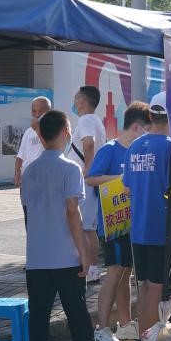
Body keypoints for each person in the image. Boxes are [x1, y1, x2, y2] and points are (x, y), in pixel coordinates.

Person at [21, 109, 102, 341]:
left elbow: (29, 213)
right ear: (67, 133)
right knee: (75, 308)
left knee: (39, 312)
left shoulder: (29, 170)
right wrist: (83, 253)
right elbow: (72, 213)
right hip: (65, 253)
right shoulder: (71, 168)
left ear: (40, 135)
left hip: (37, 255)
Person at [85, 100, 150, 341]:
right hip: (114, 226)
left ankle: (125, 324)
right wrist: (122, 178)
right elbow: (90, 178)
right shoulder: (110, 150)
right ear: (135, 127)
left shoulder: (138, 151)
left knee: (126, 274)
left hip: (133, 224)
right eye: (146, 130)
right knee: (113, 274)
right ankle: (102, 328)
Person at [121, 92, 171, 341]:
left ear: (150, 116)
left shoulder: (135, 146)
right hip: (161, 228)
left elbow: (127, 186)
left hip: (138, 227)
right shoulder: (170, 147)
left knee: (142, 287)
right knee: (155, 288)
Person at [72, 86, 108, 283]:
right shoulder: (94, 120)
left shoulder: (86, 120)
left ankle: (90, 269)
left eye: (76, 97)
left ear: (82, 101)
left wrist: (87, 171)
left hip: (85, 181)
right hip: (88, 181)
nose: (74, 100)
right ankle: (91, 268)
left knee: (86, 227)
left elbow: (88, 143)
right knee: (88, 226)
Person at [14, 96, 52, 188]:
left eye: (41, 111)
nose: (37, 114)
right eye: (34, 111)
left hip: (44, 178)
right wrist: (17, 172)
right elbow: (20, 155)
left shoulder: (52, 129)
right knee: (26, 203)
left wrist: (38, 129)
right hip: (27, 178)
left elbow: (50, 149)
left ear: (49, 112)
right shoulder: (28, 131)